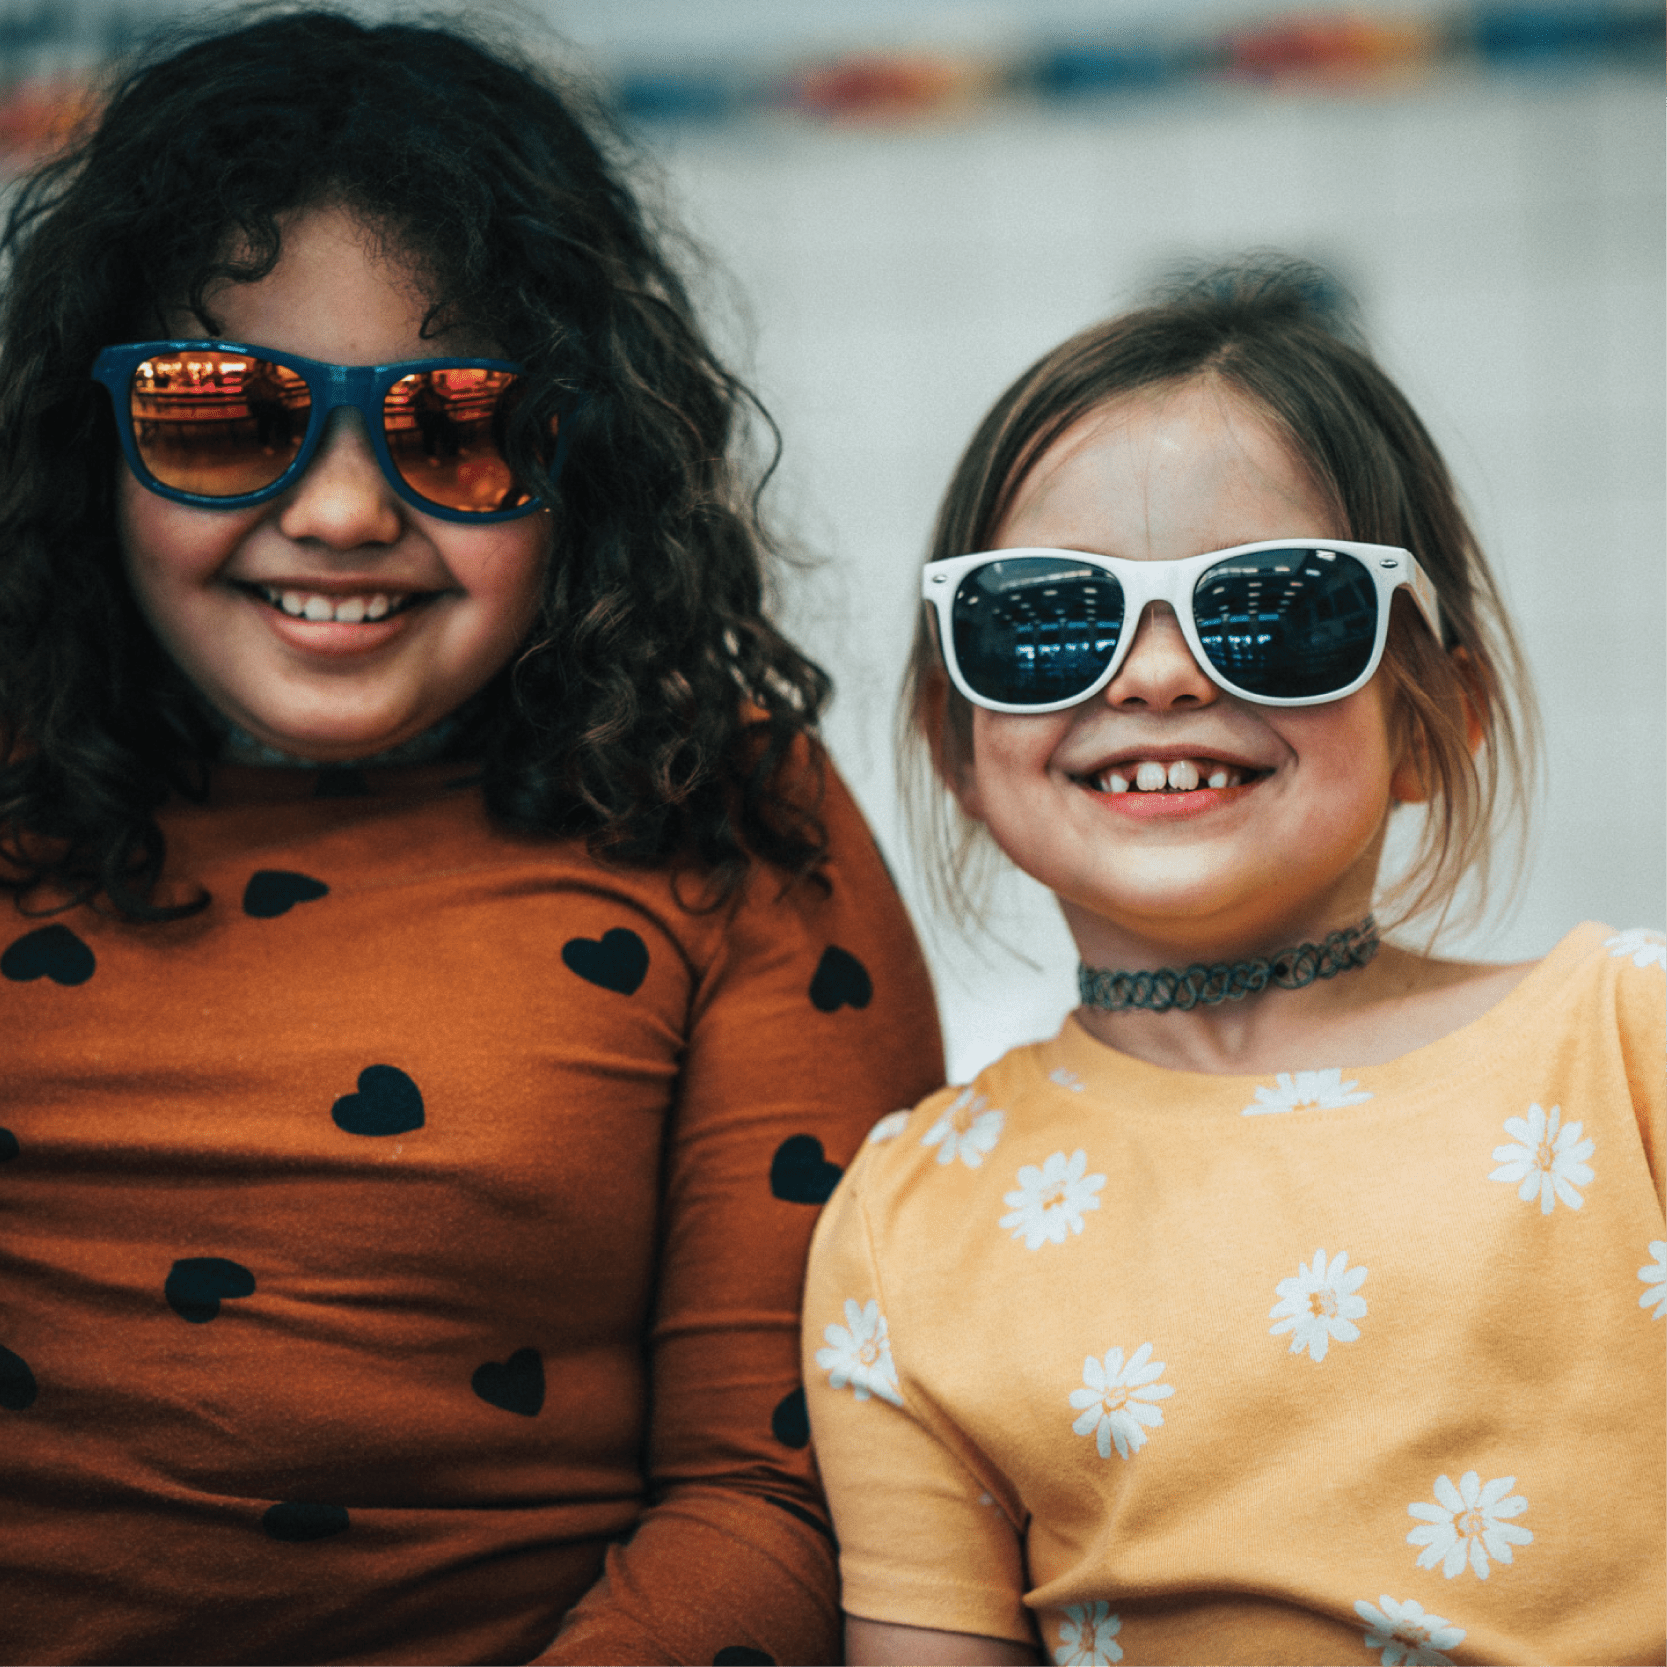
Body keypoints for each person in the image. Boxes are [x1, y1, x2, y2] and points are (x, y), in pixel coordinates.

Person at [0, 13, 943, 1666]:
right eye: (224, 410)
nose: (347, 511)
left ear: (586, 461)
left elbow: (785, 1492)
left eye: (458, 425)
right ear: (96, 445)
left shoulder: (719, 810)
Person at [803, 264, 1665, 1667]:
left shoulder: (1631, 1049)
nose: (1155, 675)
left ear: (1441, 706)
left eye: (1269, 606)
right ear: (953, 735)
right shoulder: (906, 1223)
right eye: (1048, 617)